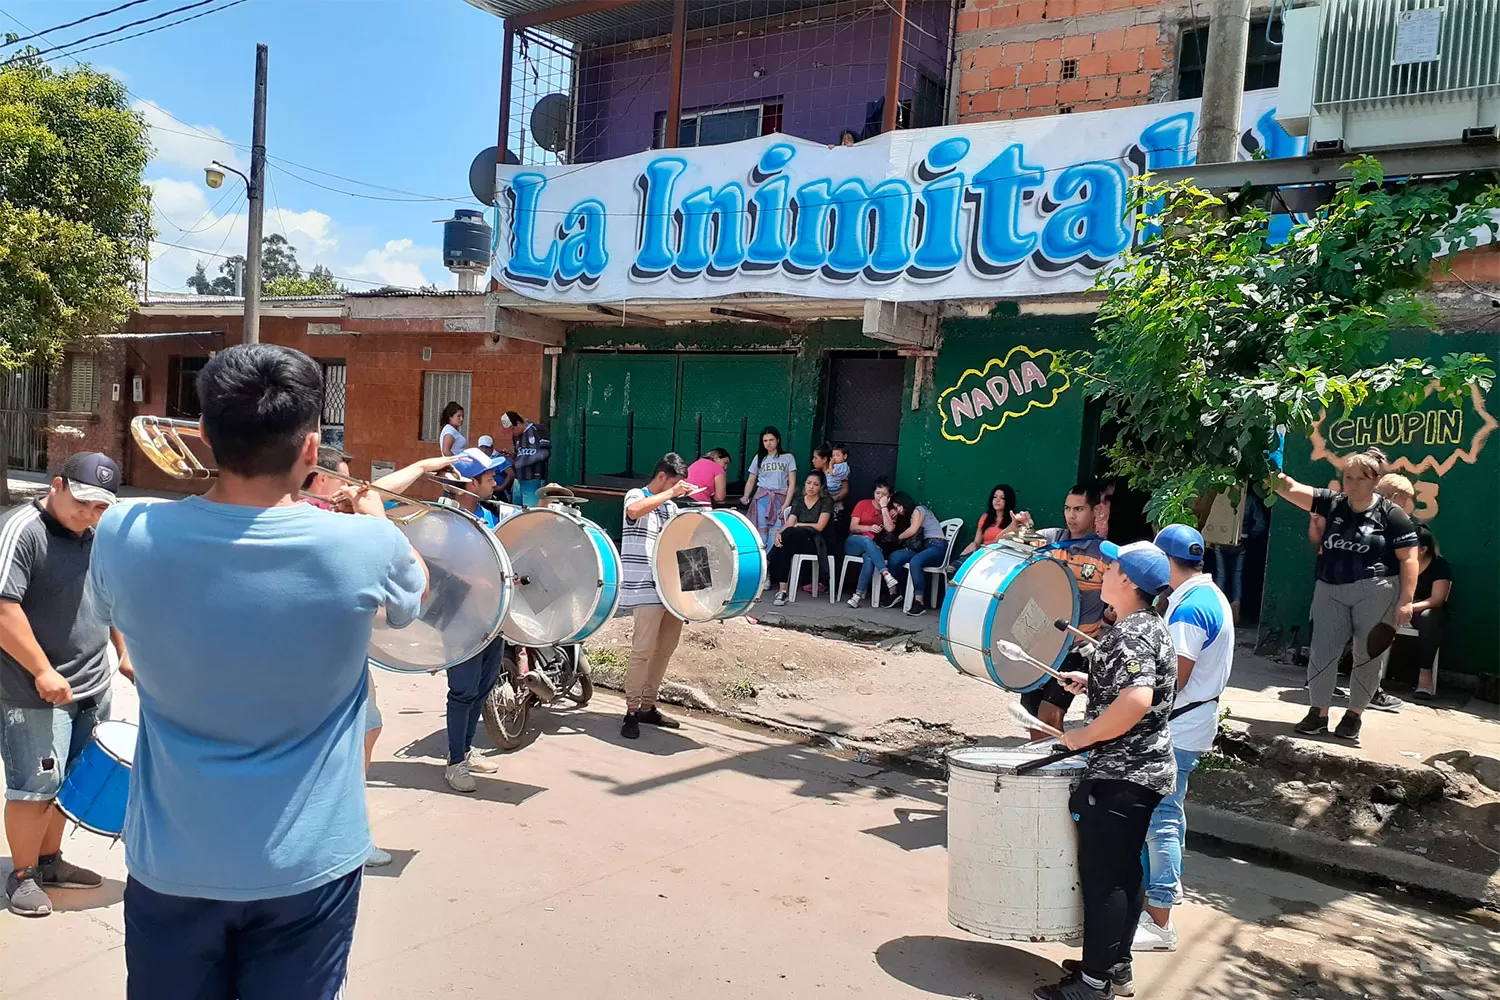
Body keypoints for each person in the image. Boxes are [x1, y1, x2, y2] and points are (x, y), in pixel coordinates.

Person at [87, 344, 429, 997]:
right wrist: (375, 517)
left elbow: (111, 607)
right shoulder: (366, 545)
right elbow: (416, 597)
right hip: (310, 869)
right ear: (309, 448)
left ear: (207, 436)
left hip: (174, 864)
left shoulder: (124, 532)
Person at [1042, 540, 1176, 1000]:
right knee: (1126, 873)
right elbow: (1139, 687)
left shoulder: (1131, 634)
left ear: (1127, 581)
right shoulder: (1148, 626)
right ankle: (1115, 966)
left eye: (1113, 563)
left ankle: (1092, 982)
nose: (1105, 566)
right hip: (1144, 771)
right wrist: (1092, 680)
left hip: (1123, 773)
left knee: (1103, 879)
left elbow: (1136, 700)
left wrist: (1084, 735)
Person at [0, 452, 132, 918]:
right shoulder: (22, 530)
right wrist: (41, 669)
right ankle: (22, 874)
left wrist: (124, 651)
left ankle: (50, 862)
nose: (89, 514)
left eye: (100, 507)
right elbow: (3, 609)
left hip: (91, 685)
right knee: (34, 786)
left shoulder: (97, 539)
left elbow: (109, 597)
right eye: (82, 502)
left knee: (71, 781)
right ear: (57, 485)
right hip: (32, 690)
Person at [1135, 525, 1234, 953]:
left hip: (1178, 728)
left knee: (1161, 823)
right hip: (1190, 724)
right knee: (1164, 818)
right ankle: (1150, 907)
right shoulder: (1204, 596)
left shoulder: (1190, 609)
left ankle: (1159, 922)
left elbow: (1172, 679)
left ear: (1166, 562)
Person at [1276, 452, 1418, 745]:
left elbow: (1409, 559)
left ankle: (1353, 715)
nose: (1352, 485)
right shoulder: (1333, 503)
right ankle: (1318, 712)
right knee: (1322, 650)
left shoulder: (1392, 514)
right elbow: (1289, 488)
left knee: (1368, 653)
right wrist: (1261, 463)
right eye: (1347, 478)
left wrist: (1406, 600)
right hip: (1330, 588)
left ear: (1376, 481)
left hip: (1376, 589)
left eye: (1360, 479)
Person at [432, 447, 519, 792]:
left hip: (492, 617)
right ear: (470, 483)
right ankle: (455, 763)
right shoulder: (445, 522)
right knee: (463, 691)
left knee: (483, 688)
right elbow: (434, 569)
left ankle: (466, 751)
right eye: (488, 477)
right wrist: (473, 581)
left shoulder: (491, 515)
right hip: (460, 619)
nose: (495, 481)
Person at [1017, 483, 1110, 739]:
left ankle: (1055, 772)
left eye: (1079, 509)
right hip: (1041, 643)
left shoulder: (1105, 555)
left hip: (1076, 646)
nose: (1071, 515)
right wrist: (1017, 526)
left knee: (1051, 711)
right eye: (1068, 508)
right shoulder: (1051, 538)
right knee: (1031, 711)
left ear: (1097, 511)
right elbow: (1005, 544)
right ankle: (1041, 766)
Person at [619, 453, 699, 740]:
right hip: (643, 586)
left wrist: (693, 592)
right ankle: (630, 710)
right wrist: (670, 494)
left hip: (671, 590)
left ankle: (648, 706)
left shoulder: (671, 509)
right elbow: (635, 511)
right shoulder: (636, 496)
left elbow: (683, 548)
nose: (679, 489)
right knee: (642, 651)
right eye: (676, 482)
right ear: (663, 477)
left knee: (664, 650)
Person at [1391, 523, 1448, 699]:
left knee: (1430, 618)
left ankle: (1425, 676)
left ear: (1423, 549)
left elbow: (1437, 599)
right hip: (1396, 605)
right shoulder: (1398, 561)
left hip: (1423, 609)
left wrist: (1408, 607)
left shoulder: (1439, 565)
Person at [769, 471, 835, 606]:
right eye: (809, 483)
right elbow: (789, 523)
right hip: (797, 539)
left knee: (790, 535)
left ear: (821, 487)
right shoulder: (799, 500)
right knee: (785, 544)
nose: (811, 487)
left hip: (817, 541)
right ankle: (782, 592)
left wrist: (800, 524)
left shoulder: (826, 501)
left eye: (815, 484)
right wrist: (779, 533)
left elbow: (820, 526)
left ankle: (767, 562)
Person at [1208, 489, 1269, 626]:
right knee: (1238, 577)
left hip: (1220, 541)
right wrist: (1248, 536)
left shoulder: (1220, 495)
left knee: (1221, 576)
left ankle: (1218, 613)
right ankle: (1236, 613)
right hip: (1241, 541)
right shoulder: (1250, 499)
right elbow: (1261, 524)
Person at [886, 493, 948, 618]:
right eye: (895, 507)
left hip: (936, 545)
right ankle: (896, 594)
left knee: (915, 561)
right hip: (922, 547)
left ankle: (919, 602)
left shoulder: (919, 510)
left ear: (905, 503)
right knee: (895, 557)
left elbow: (913, 530)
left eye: (898, 506)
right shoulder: (908, 517)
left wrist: (899, 537)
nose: (898, 510)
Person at [843, 479, 901, 608]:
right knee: (866, 540)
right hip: (854, 542)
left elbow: (890, 529)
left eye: (884, 494)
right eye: (878, 492)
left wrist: (884, 508)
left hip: (872, 548)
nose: (880, 496)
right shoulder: (863, 504)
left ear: (889, 497)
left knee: (869, 558)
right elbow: (853, 527)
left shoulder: (889, 511)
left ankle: (857, 596)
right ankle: (886, 574)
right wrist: (868, 528)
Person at [740, 426, 796, 547]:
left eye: (771, 440)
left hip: (780, 497)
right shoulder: (759, 458)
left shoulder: (788, 457)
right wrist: (746, 495)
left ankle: (771, 560)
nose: (768, 443)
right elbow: (751, 479)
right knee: (761, 529)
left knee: (776, 530)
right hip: (762, 497)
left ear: (778, 440)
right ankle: (762, 559)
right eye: (765, 441)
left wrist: (786, 504)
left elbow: (792, 483)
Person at [959, 483, 1021, 558]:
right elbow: (977, 542)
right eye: (995, 497)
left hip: (1001, 556)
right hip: (983, 553)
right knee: (956, 566)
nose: (997, 500)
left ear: (1009, 501)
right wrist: (973, 545)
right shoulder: (985, 517)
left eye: (1002, 498)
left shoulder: (1015, 520)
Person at [504, 410, 551, 507]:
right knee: (517, 511)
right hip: (518, 479)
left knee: (530, 511)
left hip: (533, 479)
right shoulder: (516, 436)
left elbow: (544, 453)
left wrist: (520, 463)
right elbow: (519, 453)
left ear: (518, 423)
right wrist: (512, 456)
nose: (512, 432)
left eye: (512, 429)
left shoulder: (539, 430)